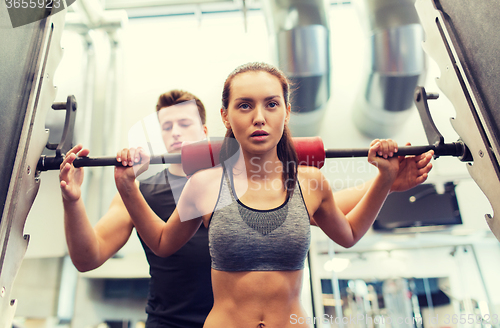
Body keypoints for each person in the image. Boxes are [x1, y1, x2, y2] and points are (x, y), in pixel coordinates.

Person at [113, 62, 434, 328]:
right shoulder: (207, 185)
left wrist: (385, 177)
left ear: (286, 111)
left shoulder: (310, 182)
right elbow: (161, 243)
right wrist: (128, 187)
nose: (259, 117)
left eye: (271, 104)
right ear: (225, 116)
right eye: (244, 105)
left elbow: (349, 234)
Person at [59, 90, 214, 328]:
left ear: (204, 131)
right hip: (168, 323)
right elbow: (87, 258)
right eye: (167, 126)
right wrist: (73, 201)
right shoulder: (140, 191)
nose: (175, 132)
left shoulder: (231, 185)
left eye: (184, 123)